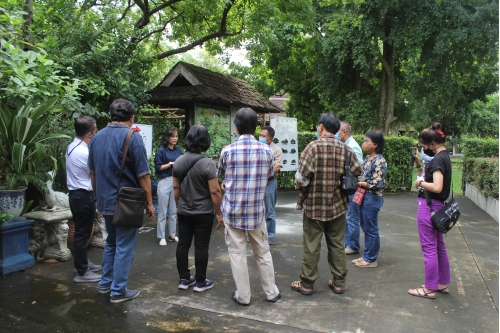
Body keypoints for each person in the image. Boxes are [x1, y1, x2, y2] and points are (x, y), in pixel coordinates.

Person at [88, 98, 155, 303]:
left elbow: (92, 173)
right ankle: (118, 291)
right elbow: (143, 175)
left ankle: (105, 284)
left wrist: (98, 197)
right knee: (125, 246)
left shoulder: (96, 138)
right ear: (132, 117)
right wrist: (150, 203)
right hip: (127, 204)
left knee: (112, 243)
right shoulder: (132, 137)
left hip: (105, 201)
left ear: (110, 116)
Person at [292, 113, 362, 295]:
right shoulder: (346, 149)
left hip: (314, 206)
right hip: (338, 206)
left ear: (321, 127)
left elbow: (301, 177)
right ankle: (339, 283)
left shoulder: (312, 147)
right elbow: (357, 172)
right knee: (338, 244)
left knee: (312, 245)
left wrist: (300, 187)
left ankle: (307, 284)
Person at [217, 107, 281, 305]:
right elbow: (270, 173)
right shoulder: (266, 151)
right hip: (256, 211)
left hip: (233, 211)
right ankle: (271, 293)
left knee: (237, 253)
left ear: (236, 127)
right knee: (262, 252)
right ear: (255, 128)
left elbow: (221, 173)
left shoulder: (227, 150)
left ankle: (243, 296)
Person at [173, 125, 223, 292]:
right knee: (201, 246)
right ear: (205, 141)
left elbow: (176, 188)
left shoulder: (178, 161)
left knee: (183, 245)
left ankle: (184, 279)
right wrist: (219, 212)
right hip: (203, 212)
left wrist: (178, 206)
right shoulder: (208, 164)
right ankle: (201, 281)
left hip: (185, 210)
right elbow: (215, 191)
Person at [408, 123, 451, 299]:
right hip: (438, 207)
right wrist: (419, 163)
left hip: (429, 207)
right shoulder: (444, 156)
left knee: (429, 248)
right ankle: (441, 283)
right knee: (439, 246)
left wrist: (420, 183)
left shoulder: (438, 160)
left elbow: (437, 186)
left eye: (425, 146)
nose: (425, 149)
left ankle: (429, 288)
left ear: (433, 143)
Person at [66, 116, 102, 283]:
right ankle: (82, 271)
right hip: (83, 195)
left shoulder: (72, 146)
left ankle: (83, 263)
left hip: (76, 194)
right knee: (82, 234)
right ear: (89, 133)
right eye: (94, 132)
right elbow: (94, 174)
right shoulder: (83, 152)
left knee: (82, 232)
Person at [352, 130, 387, 268]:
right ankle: (367, 255)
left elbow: (376, 184)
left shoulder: (379, 160)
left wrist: (358, 184)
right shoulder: (368, 159)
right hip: (364, 195)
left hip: (372, 197)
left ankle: (371, 259)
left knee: (371, 229)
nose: (364, 143)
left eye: (367, 141)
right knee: (366, 227)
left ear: (375, 144)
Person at [337, 121, 363, 255]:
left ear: (344, 132)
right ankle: (348, 243)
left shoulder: (353, 147)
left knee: (352, 217)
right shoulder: (346, 145)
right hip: (348, 186)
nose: (337, 134)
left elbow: (359, 168)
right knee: (348, 216)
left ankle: (353, 245)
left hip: (352, 186)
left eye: (338, 131)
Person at [154, 127, 182, 245]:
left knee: (173, 210)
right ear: (168, 137)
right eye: (173, 136)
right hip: (164, 180)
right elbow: (158, 167)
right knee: (162, 210)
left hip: (176, 180)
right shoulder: (161, 150)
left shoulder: (179, 151)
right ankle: (161, 236)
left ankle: (172, 234)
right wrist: (170, 164)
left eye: (176, 136)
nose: (175, 138)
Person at [259, 126, 283, 245]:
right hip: (257, 182)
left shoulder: (276, 150)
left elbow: (277, 167)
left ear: (270, 138)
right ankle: (256, 235)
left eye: (263, 136)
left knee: (269, 210)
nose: (261, 137)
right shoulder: (256, 148)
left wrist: (262, 174)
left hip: (269, 182)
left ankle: (270, 235)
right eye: (260, 135)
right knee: (256, 209)